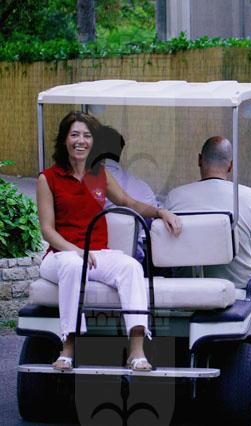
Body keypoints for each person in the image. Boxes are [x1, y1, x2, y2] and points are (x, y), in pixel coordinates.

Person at [37, 111, 182, 371]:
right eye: (74, 135)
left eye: (87, 135)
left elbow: (128, 202)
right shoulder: (48, 178)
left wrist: (160, 212)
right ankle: (68, 347)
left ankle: (136, 351)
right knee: (73, 264)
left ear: (94, 142)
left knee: (131, 267)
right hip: (60, 255)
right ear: (64, 140)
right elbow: (47, 230)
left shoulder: (100, 174)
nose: (80, 141)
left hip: (97, 255)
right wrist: (76, 250)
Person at [165, 136, 251, 287]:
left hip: (187, 287)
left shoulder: (175, 196)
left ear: (199, 160)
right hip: (240, 288)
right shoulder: (248, 195)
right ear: (230, 166)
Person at [90, 125, 159, 263]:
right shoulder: (144, 190)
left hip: (90, 257)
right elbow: (150, 232)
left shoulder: (81, 184)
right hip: (132, 261)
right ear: (120, 151)